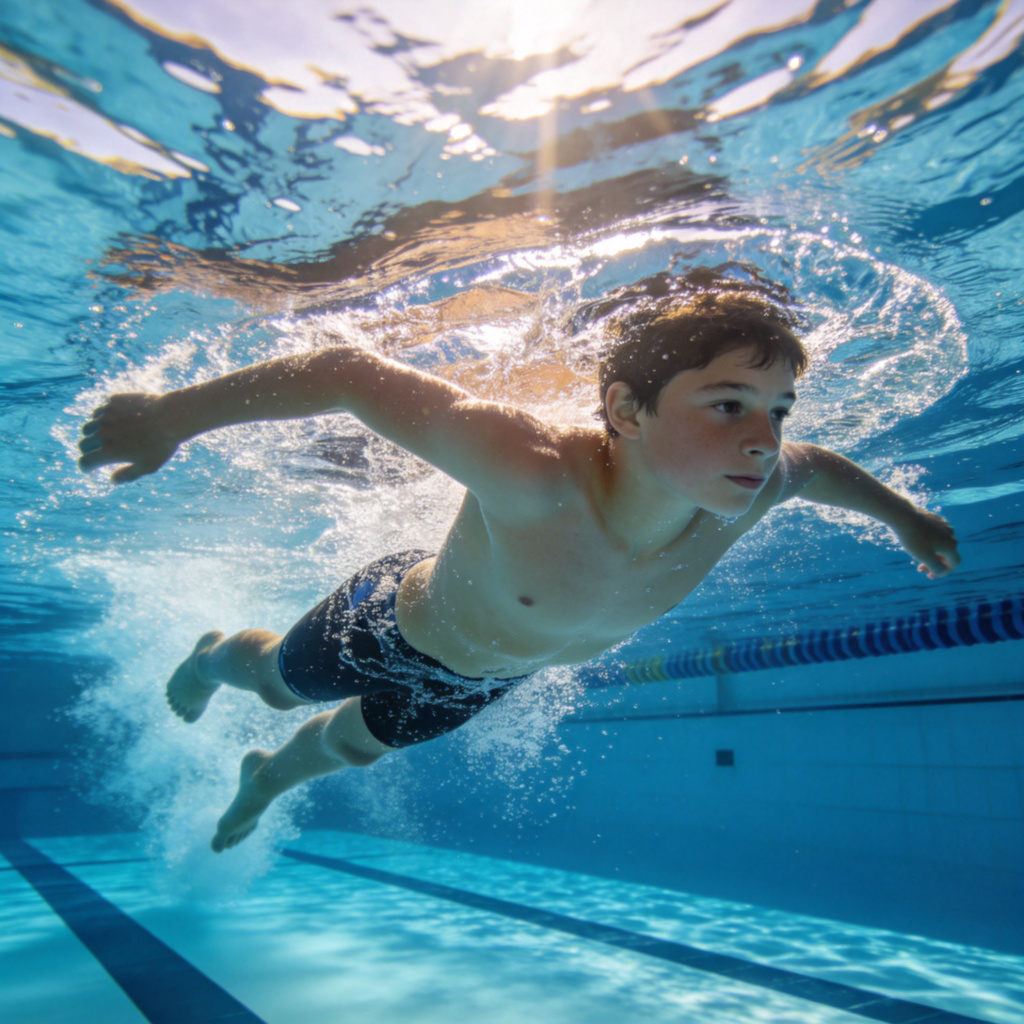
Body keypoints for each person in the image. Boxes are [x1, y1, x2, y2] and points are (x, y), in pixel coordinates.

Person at [77, 269, 959, 853]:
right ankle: (211, 655)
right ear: (625, 408)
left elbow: (820, 472)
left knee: (351, 749)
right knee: (276, 682)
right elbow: (347, 373)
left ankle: (262, 781)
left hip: (485, 678)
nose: (765, 440)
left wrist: (906, 517)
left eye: (778, 408)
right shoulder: (531, 471)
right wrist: (170, 418)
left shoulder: (756, 487)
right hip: (391, 626)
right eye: (729, 404)